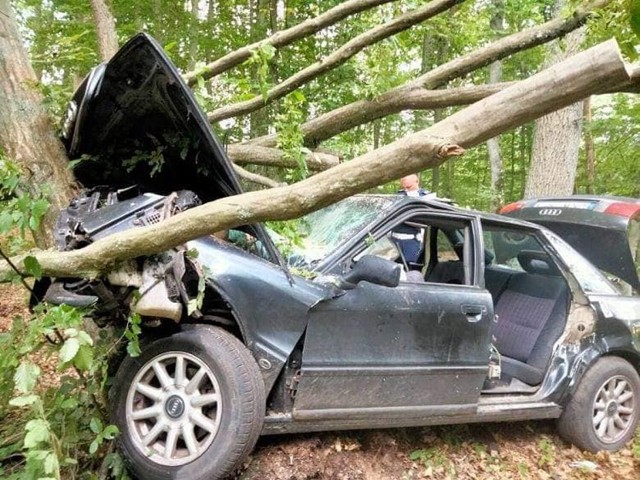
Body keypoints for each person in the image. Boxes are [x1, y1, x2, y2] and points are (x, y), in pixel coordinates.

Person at [392, 174, 434, 264]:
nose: (406, 190)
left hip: (412, 241)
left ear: (417, 182)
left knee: (410, 267)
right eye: (404, 187)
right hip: (394, 241)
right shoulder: (397, 196)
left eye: (409, 187)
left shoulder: (427, 197)